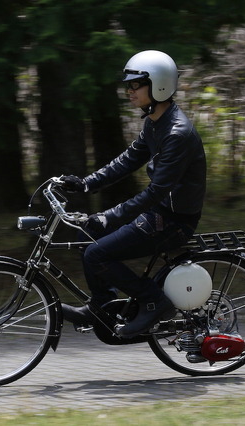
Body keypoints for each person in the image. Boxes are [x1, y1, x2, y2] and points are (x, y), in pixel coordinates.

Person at [60, 50, 207, 338]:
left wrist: (107, 217)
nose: (130, 91)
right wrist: (86, 184)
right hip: (159, 212)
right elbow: (128, 160)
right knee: (85, 236)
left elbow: (155, 192)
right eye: (128, 85)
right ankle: (102, 304)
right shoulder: (155, 122)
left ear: (158, 85)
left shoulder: (177, 133)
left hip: (174, 221)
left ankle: (155, 302)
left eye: (136, 85)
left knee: (96, 254)